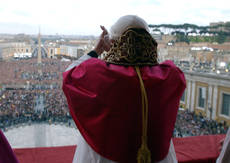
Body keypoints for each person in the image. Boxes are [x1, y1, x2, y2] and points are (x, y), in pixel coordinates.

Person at [62, 15, 186, 163]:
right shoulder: (171, 76)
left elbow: (69, 76)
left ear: (113, 43)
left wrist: (97, 50)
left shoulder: (97, 74)